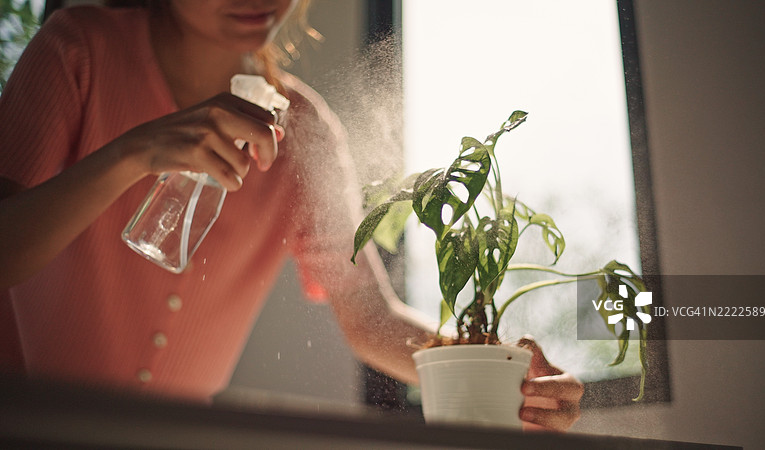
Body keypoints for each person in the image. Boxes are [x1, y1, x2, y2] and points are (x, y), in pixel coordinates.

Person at [0, 0, 582, 431]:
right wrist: (133, 152)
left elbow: (370, 318)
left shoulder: (305, 130)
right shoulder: (78, 47)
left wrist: (498, 370)